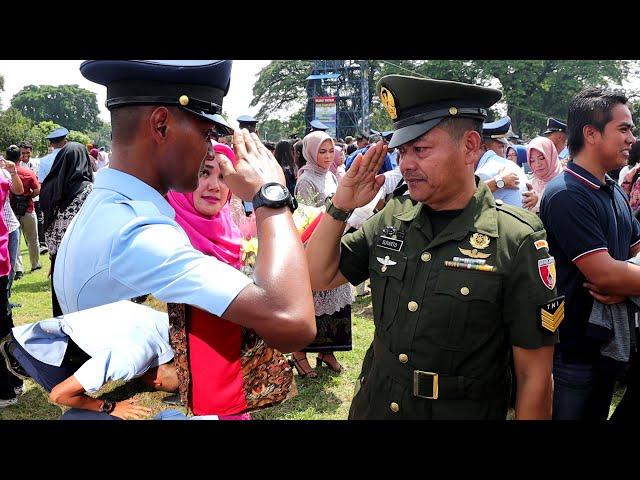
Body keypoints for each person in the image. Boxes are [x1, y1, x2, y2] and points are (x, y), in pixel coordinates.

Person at [305, 75, 562, 420]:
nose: (406, 164)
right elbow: (317, 276)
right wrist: (340, 205)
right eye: (402, 151)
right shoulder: (394, 217)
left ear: (471, 146)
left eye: (421, 149)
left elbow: (535, 375)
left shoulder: (516, 239)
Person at [54, 60, 315, 358]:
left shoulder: (107, 208)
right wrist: (271, 195)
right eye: (206, 134)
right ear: (161, 125)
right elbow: (292, 321)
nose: (211, 151)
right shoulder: (136, 233)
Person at [164, 141, 293, 418]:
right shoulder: (166, 234)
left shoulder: (231, 228)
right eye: (203, 173)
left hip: (236, 349)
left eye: (223, 176)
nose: (215, 186)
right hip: (202, 351)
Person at [540, 86, 640, 420]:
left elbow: (635, 253)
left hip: (606, 344)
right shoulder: (567, 194)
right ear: (591, 133)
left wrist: (626, 284)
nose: (632, 138)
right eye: (624, 128)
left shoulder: (613, 191)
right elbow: (606, 274)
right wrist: (621, 279)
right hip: (573, 351)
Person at [0, 300, 178, 419]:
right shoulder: (128, 359)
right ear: (157, 383)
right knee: (66, 389)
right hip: (40, 339)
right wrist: (111, 407)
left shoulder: (168, 329)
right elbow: (59, 395)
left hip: (84, 322)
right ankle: (16, 351)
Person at [291, 130, 354, 378]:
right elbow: (309, 215)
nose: (328, 156)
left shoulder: (332, 176)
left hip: (334, 241)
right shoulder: (305, 179)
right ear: (310, 153)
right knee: (311, 301)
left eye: (330, 151)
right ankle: (299, 355)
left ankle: (327, 352)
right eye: (322, 151)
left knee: (334, 297)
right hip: (314, 245)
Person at [39, 141, 94, 317]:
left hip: (57, 259)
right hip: (81, 261)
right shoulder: (89, 191)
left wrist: (53, 256)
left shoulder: (48, 188)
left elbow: (48, 225)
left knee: (61, 311)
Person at [475, 117, 537, 210]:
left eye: (504, 147)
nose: (504, 152)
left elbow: (469, 204)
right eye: (501, 147)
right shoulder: (510, 165)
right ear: (485, 148)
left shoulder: (484, 172)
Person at [0, 157, 22, 408]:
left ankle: (7, 390)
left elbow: (16, 189)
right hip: (2, 256)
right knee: (4, 323)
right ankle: (14, 379)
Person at [7, 145, 42, 275]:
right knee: (33, 239)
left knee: (14, 240)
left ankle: (18, 268)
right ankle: (35, 264)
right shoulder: (28, 172)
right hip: (27, 208)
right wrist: (29, 196)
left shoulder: (4, 173)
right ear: (20, 157)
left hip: (10, 210)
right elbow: (37, 190)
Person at [526, 136, 563, 213]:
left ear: (551, 156)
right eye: (532, 160)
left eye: (541, 158)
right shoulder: (529, 184)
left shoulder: (564, 183)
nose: (537, 164)